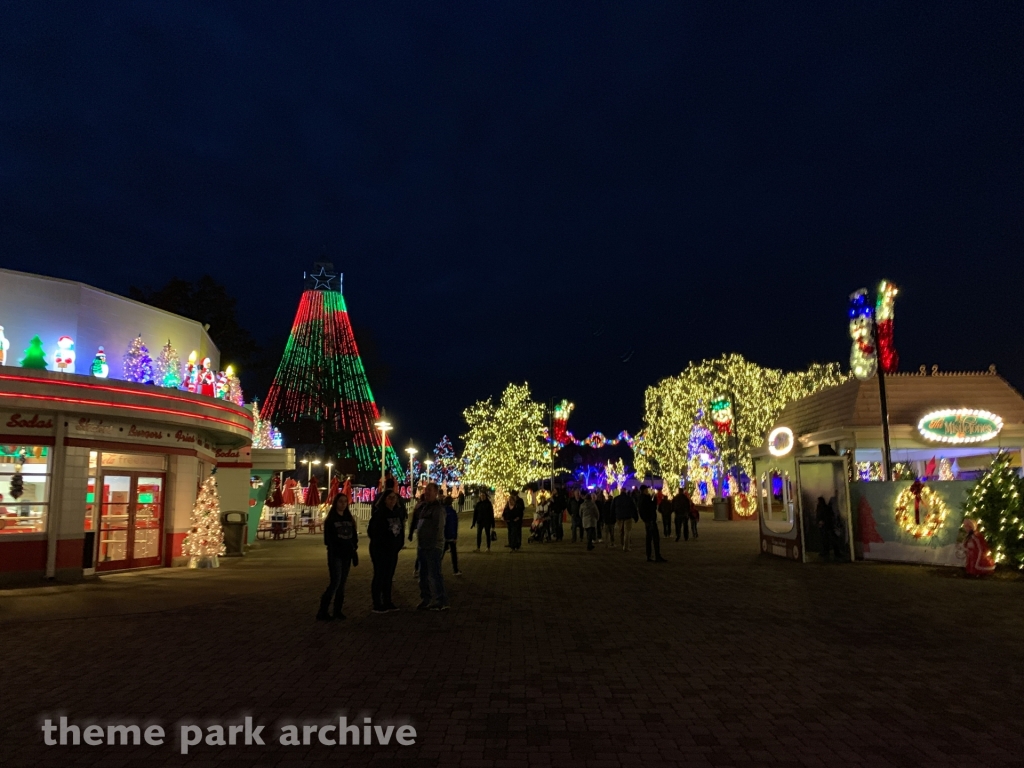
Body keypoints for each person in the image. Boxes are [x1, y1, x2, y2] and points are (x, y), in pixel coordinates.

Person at [316, 493, 359, 621]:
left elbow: (353, 537)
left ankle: (337, 611)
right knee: (335, 582)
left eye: (345, 502)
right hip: (336, 555)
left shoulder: (349, 519)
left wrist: (353, 550)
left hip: (347, 555)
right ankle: (323, 610)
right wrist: (338, 547)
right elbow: (328, 540)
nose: (343, 504)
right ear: (336, 503)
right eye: (341, 501)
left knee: (342, 584)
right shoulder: (331, 520)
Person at [413, 482, 449, 610]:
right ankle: (426, 598)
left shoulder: (438, 509)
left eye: (429, 491)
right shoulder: (424, 507)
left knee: (434, 574)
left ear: (435, 493)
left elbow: (438, 528)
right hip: (422, 546)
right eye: (426, 491)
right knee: (423, 574)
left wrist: (432, 543)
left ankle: (440, 600)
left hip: (433, 546)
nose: (426, 493)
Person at [367, 490, 404, 613]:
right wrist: (383, 544)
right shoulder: (379, 515)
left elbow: (400, 530)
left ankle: (388, 601)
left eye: (394, 498)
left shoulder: (397, 513)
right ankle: (377, 603)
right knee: (379, 575)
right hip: (380, 551)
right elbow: (372, 532)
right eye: (389, 498)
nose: (392, 500)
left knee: (389, 576)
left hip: (393, 551)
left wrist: (399, 544)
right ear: (384, 500)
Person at [638, 485, 667, 562]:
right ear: (644, 490)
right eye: (646, 490)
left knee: (649, 538)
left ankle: (649, 556)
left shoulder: (640, 498)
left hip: (647, 521)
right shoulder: (646, 498)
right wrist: (654, 500)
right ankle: (657, 556)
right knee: (655, 538)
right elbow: (652, 507)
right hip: (651, 521)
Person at [443, 495, 462, 575]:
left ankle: (434, 568)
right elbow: (454, 525)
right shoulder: (452, 512)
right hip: (450, 535)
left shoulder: (442, 511)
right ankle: (455, 569)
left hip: (443, 535)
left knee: (441, 553)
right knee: (453, 553)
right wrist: (454, 536)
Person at [815, 496, 835, 561]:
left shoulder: (820, 508)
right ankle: (826, 551)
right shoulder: (826, 507)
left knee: (823, 539)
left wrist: (820, 522)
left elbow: (819, 516)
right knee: (825, 539)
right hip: (826, 526)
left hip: (823, 526)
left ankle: (824, 551)